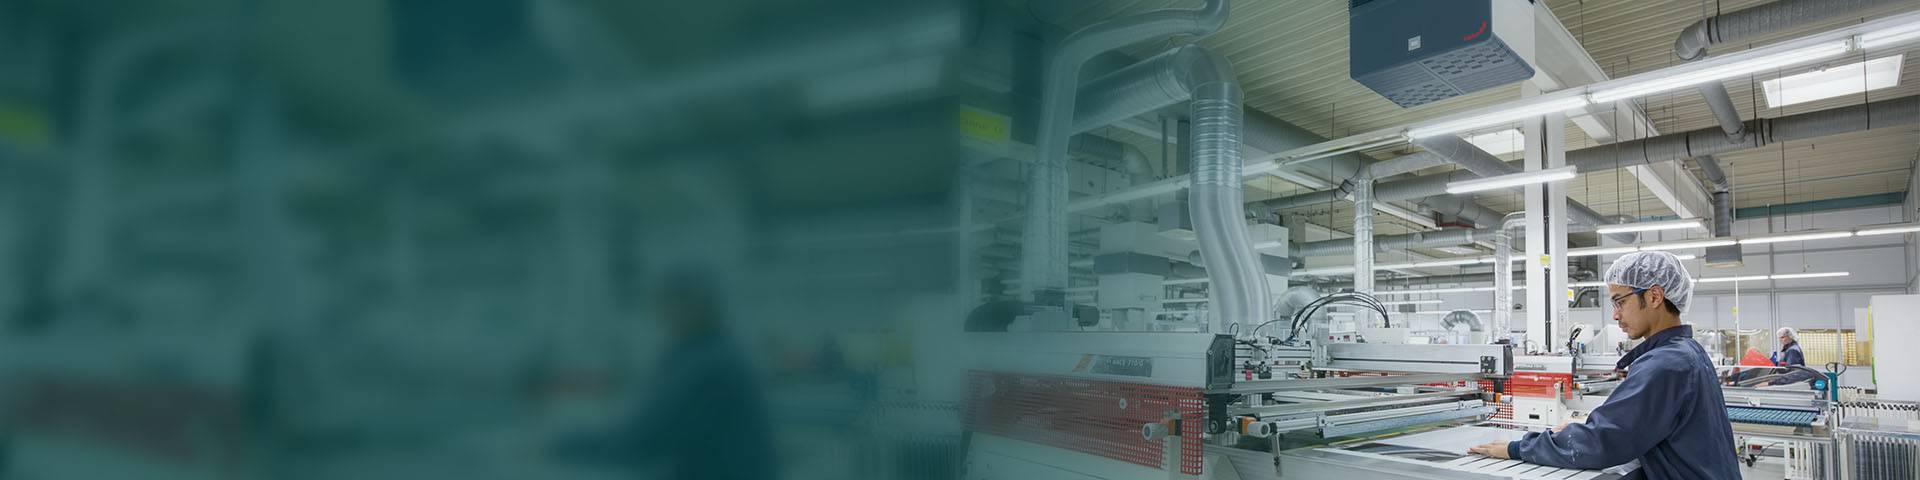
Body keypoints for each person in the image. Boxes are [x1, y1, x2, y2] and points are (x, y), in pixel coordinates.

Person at [1469, 251, 1740, 479]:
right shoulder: (1688, 352)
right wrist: (1586, 425)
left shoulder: (1666, 364)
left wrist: (1517, 448)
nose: (1615, 315)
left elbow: (1602, 442)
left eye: (1620, 301)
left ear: (1655, 296)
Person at [552, 267, 775, 480]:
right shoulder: (711, 354)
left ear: (694, 305)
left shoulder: (709, 367)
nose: (660, 314)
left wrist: (563, 446)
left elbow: (642, 442)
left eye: (668, 303)